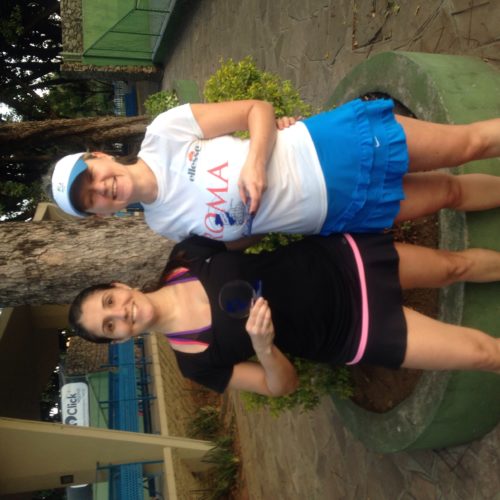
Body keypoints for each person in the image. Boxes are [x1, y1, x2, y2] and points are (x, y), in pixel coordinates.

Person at [69, 233, 500, 395]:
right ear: (120, 339)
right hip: (351, 331)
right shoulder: (195, 362)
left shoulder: (187, 255)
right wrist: (264, 347)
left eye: (109, 302)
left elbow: (257, 222)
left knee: (455, 266)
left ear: (119, 286)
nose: (121, 313)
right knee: (482, 354)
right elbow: (282, 386)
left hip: (342, 263)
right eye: (110, 326)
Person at [51, 98, 500, 248]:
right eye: (91, 200)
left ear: (100, 156)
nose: (102, 188)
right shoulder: (163, 224)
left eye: (92, 176)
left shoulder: (164, 133)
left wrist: (256, 158)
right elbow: (240, 238)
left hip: (327, 149)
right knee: (448, 194)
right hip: (332, 212)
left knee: (469, 144)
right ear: (101, 214)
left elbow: (257, 110)